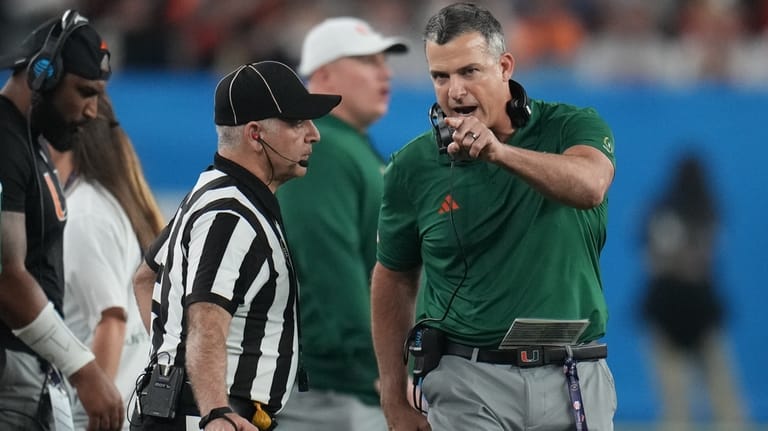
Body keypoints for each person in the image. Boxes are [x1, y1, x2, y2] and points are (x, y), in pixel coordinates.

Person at [371, 3, 617, 431]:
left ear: (504, 67)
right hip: (469, 378)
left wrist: (499, 153)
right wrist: (393, 397)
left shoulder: (571, 127)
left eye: (469, 72)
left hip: (574, 374)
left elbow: (590, 185)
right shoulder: (413, 166)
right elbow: (393, 275)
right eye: (440, 76)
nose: (454, 91)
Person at [130, 60, 341, 431]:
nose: (313, 134)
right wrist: (214, 409)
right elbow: (207, 318)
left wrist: (172, 360)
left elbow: (145, 277)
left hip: (194, 410)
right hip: (210, 416)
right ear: (255, 134)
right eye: (296, 122)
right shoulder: (230, 212)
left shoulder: (215, 191)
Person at [275, 17, 408, 431]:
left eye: (384, 61)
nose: (384, 72)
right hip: (339, 387)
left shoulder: (353, 146)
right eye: (368, 61)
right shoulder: (324, 146)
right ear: (324, 74)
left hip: (354, 381)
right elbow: (327, 263)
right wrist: (375, 362)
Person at [0, 10, 125, 431]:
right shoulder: (4, 141)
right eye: (85, 92)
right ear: (43, 75)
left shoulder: (29, 142)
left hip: (30, 374)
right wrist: (83, 369)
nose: (92, 111)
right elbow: (6, 275)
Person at [48, 93, 165, 430]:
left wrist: (91, 417)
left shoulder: (86, 214)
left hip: (102, 414)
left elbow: (110, 320)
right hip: (129, 406)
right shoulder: (109, 202)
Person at [640, 153, 746, 430]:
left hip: (697, 309)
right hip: (669, 308)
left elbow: (696, 259)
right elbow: (657, 257)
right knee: (675, 394)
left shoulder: (705, 211)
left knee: (720, 389)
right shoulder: (669, 211)